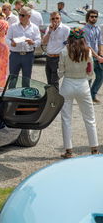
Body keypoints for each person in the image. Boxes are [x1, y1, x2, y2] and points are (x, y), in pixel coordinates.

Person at [58, 27, 100, 159]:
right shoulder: (87, 51)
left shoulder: (64, 51)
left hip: (68, 83)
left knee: (66, 119)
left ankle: (68, 150)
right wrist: (86, 77)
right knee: (90, 118)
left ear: (70, 37)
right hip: (82, 84)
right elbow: (90, 71)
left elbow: (60, 71)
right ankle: (94, 148)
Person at [6, 6, 41, 87]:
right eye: (19, 14)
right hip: (15, 55)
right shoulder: (13, 26)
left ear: (29, 16)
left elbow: (38, 41)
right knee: (13, 78)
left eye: (23, 15)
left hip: (28, 55)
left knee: (26, 78)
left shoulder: (34, 28)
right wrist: (11, 43)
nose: (20, 17)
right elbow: (7, 38)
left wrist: (33, 42)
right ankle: (11, 97)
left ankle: (25, 97)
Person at [42, 11, 70, 89]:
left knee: (54, 81)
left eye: (57, 18)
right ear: (50, 20)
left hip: (58, 58)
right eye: (53, 18)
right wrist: (50, 32)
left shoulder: (65, 29)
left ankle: (56, 99)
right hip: (48, 57)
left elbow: (68, 44)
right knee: (49, 81)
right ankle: (51, 99)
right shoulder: (48, 28)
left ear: (60, 18)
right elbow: (44, 42)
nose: (55, 20)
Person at [83, 9, 103, 103]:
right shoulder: (85, 30)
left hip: (97, 56)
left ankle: (92, 94)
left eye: (95, 16)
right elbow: (88, 46)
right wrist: (97, 56)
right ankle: (87, 97)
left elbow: (100, 42)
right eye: (92, 16)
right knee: (89, 77)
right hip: (88, 57)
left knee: (100, 76)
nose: (94, 18)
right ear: (88, 17)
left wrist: (101, 53)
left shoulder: (98, 28)